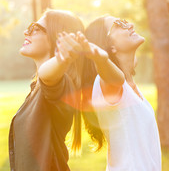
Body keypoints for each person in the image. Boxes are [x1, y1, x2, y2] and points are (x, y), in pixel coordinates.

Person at [78, 15, 161, 171]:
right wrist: (101, 60)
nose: (128, 24)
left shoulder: (128, 85)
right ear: (109, 46)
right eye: (117, 24)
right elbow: (114, 79)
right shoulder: (109, 83)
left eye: (124, 21)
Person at [9, 9, 84, 171]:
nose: (25, 32)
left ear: (56, 38)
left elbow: (47, 77)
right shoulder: (36, 88)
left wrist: (61, 59)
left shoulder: (61, 86)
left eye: (36, 28)